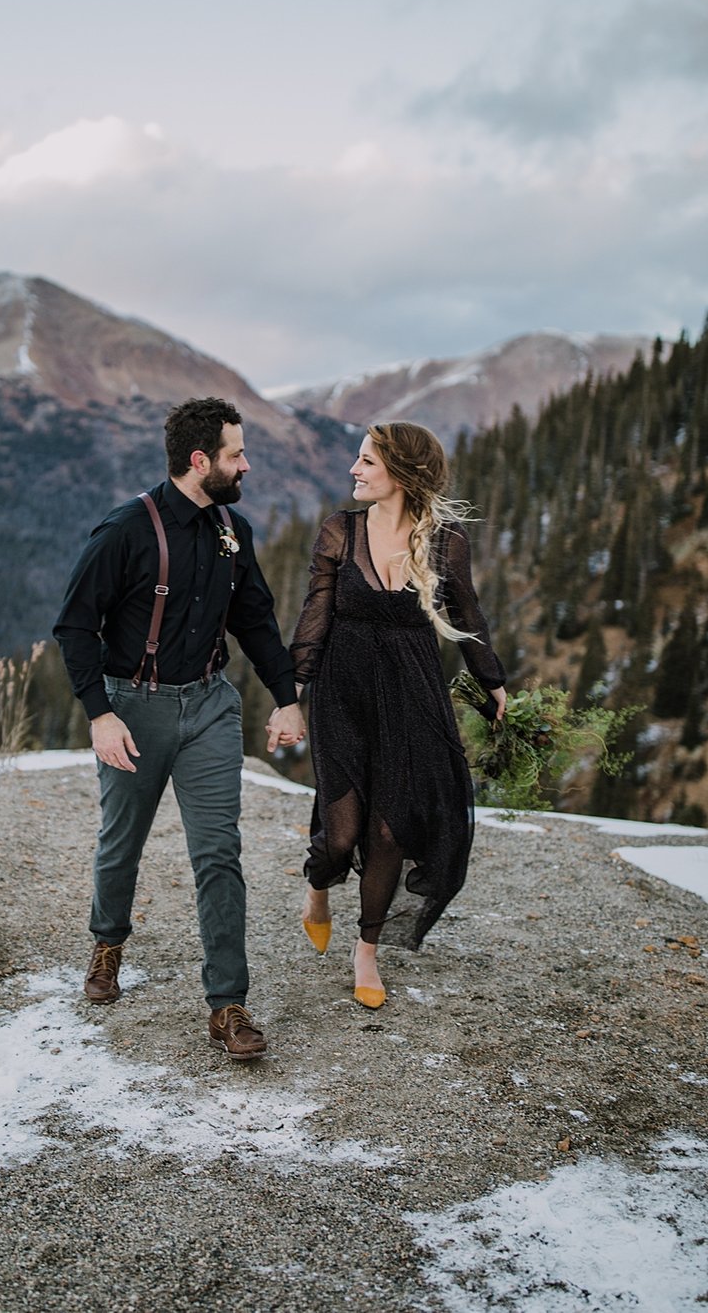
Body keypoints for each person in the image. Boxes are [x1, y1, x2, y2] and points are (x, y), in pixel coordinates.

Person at [54, 396, 306, 1059]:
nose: (246, 465)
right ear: (201, 462)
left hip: (211, 707)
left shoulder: (234, 531)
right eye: (235, 455)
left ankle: (228, 1006)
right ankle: (107, 944)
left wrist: (286, 698)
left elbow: (255, 621)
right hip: (132, 710)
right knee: (121, 844)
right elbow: (75, 626)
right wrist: (99, 714)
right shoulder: (124, 531)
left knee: (219, 853)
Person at [290, 421, 506, 1008]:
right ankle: (319, 883)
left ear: (401, 474)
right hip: (343, 690)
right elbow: (316, 614)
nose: (354, 471)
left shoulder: (444, 540)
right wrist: (293, 691)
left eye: (366, 462)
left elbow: (468, 617)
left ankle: (367, 950)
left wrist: (493, 683)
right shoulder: (340, 530)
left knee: (389, 826)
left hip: (412, 691)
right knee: (341, 834)